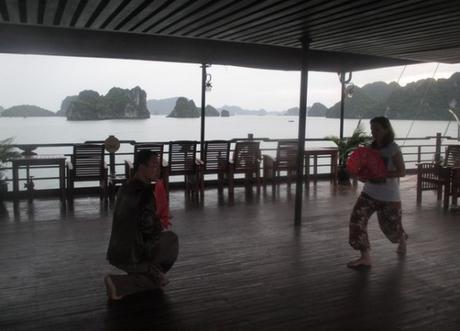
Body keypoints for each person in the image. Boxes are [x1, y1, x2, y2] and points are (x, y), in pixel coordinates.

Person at [105, 150, 179, 300]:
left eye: (158, 165)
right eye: (153, 165)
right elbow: (149, 229)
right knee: (171, 239)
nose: (157, 169)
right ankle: (121, 282)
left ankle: (151, 274)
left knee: (159, 279)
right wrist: (160, 221)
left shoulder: (125, 187)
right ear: (140, 167)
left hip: (116, 252)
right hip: (133, 257)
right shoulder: (145, 193)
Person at [347, 116, 407, 269]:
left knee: (390, 228)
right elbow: (366, 168)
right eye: (372, 129)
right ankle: (365, 257)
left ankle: (402, 239)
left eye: (377, 129)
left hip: (389, 196)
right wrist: (362, 175)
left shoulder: (393, 148)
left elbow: (402, 172)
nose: (374, 132)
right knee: (356, 221)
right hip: (369, 193)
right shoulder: (370, 147)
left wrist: (382, 173)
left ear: (387, 129)